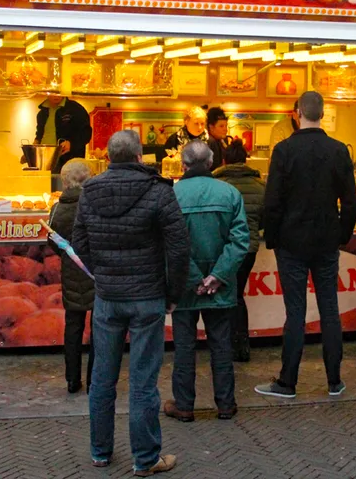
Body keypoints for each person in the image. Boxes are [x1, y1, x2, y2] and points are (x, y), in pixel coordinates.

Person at [72, 130, 190, 476]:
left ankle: (100, 452)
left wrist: (102, 274)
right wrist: (173, 294)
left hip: (108, 299)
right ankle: (146, 458)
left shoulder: (89, 192)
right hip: (148, 297)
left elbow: (79, 242)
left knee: (102, 378)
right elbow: (179, 249)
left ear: (108, 157)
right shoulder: (159, 191)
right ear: (140, 157)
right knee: (143, 380)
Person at [255, 91, 356, 399]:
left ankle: (288, 381)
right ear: (323, 113)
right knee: (330, 309)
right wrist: (342, 234)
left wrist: (272, 237)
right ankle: (334, 380)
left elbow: (272, 201)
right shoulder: (339, 150)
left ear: (296, 112)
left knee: (295, 312)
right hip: (326, 241)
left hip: (291, 241)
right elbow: (350, 202)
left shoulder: (284, 150)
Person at [164, 142, 250, 423]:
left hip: (184, 287)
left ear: (183, 165)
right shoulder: (230, 194)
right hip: (220, 287)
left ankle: (184, 405)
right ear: (211, 163)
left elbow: (169, 245)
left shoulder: (171, 196)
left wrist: (193, 279)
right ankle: (226, 404)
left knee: (185, 346)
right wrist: (217, 276)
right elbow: (240, 241)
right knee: (221, 343)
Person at [213, 139, 266, 362]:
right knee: (237, 294)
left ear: (224, 160)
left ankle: (226, 345)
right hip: (249, 249)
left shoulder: (217, 185)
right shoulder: (261, 186)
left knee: (228, 295)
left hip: (223, 248)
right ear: (246, 160)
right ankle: (241, 344)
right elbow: (266, 219)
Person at [48, 159, 95, 394]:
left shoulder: (57, 209)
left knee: (73, 326)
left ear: (65, 181)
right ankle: (95, 379)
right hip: (96, 273)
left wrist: (68, 256)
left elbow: (52, 241)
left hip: (71, 271)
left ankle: (72, 380)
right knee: (99, 328)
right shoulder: (96, 205)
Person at [33, 95, 93, 173]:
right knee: (46, 184)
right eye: (53, 92)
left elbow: (86, 133)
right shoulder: (42, 114)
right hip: (45, 160)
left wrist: (71, 144)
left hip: (69, 161)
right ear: (47, 93)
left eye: (59, 92)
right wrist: (33, 149)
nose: (56, 96)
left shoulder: (75, 109)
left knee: (68, 183)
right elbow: (39, 135)